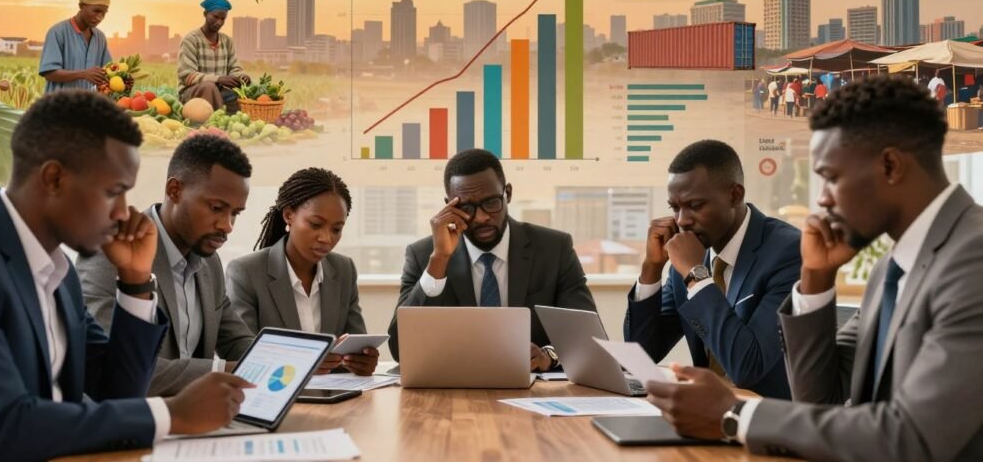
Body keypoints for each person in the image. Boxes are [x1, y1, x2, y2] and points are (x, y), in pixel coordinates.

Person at [645, 75, 983, 462]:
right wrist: (815, 280)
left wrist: (736, 414)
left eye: (831, 178)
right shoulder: (892, 266)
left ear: (890, 165)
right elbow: (820, 401)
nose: (821, 198)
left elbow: (913, 437)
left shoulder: (973, 260)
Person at [0, 91, 251, 461]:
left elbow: (115, 393)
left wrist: (134, 280)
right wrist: (171, 414)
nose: (121, 212)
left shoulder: (57, 274)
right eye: (113, 192)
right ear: (54, 178)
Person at [77, 134, 255, 396]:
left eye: (235, 213)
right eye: (216, 208)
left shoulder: (209, 261)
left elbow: (236, 339)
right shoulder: (112, 253)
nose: (227, 225)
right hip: (134, 425)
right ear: (175, 190)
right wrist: (223, 372)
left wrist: (290, 361)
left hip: (199, 422)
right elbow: (113, 366)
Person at [387, 148, 597, 370]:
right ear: (449, 205)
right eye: (466, 207)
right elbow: (401, 350)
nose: (482, 217)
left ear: (508, 193)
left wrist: (549, 355)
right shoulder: (424, 256)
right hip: (455, 391)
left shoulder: (554, 249)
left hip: (533, 391)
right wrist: (439, 260)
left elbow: (588, 340)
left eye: (491, 202)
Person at [624, 140, 800, 399]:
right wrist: (651, 268)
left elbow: (747, 367)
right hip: (706, 415)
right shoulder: (688, 255)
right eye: (675, 207)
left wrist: (696, 275)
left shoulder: (788, 252)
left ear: (735, 195)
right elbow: (640, 358)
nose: (682, 221)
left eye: (695, 206)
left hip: (770, 423)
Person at [227, 168, 378, 376]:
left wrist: (362, 361)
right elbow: (241, 353)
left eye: (336, 229)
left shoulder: (344, 270)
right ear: (289, 215)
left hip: (334, 398)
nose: (326, 238)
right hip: (272, 396)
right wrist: (304, 362)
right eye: (316, 224)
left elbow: (354, 344)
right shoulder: (246, 272)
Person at [177, 0, 252, 113]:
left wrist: (241, 76)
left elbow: (234, 67)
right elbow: (187, 76)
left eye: (223, 19)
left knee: (242, 91)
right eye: (215, 17)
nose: (219, 22)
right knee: (209, 87)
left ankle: (234, 122)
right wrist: (218, 79)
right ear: (205, 14)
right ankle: (216, 124)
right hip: (192, 94)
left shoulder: (227, 41)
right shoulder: (190, 40)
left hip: (221, 91)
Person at [38, 0, 114, 93]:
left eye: (104, 13)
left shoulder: (100, 37)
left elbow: (108, 72)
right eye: (96, 11)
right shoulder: (58, 32)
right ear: (82, 6)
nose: (100, 17)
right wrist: (83, 74)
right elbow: (49, 74)